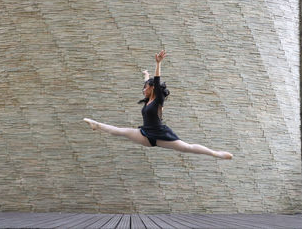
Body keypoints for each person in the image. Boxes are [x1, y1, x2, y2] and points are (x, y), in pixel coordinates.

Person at [84, 50, 233, 159]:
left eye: (146, 88)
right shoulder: (149, 99)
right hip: (145, 135)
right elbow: (148, 82)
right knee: (121, 131)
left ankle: (215, 153)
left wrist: (158, 64)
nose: (143, 90)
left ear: (152, 88)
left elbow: (156, 81)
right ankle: (96, 125)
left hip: (161, 135)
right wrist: (146, 75)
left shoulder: (158, 100)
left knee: (187, 147)